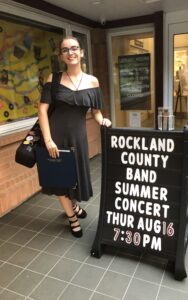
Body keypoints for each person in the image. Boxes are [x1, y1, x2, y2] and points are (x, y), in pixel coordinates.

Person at [38, 36, 111, 238]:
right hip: (55, 138)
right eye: (65, 50)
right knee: (60, 180)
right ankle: (72, 217)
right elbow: (42, 111)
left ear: (82, 52)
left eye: (74, 48)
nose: (70, 53)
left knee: (74, 179)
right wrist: (48, 140)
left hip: (78, 139)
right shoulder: (53, 79)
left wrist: (102, 120)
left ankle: (74, 206)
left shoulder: (92, 81)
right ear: (61, 55)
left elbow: (96, 112)